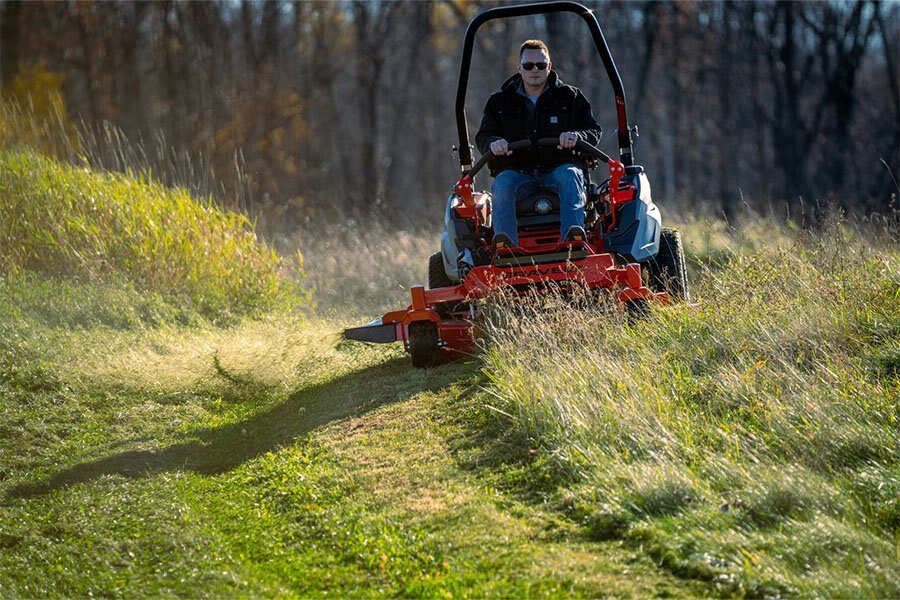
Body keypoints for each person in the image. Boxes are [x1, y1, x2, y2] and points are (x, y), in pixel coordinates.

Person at [475, 39, 603, 248]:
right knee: (502, 182)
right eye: (528, 65)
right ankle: (507, 249)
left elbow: (593, 130)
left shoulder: (569, 97)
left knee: (570, 174)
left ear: (549, 66)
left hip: (557, 169)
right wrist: (494, 143)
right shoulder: (499, 102)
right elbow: (483, 137)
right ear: (519, 67)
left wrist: (576, 136)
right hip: (517, 172)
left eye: (541, 65)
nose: (535, 70)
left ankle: (572, 244)